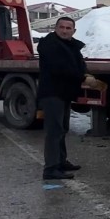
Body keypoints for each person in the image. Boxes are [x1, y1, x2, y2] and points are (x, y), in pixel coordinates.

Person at [36, 17, 94, 180]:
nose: (65, 30)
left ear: (73, 31)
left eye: (68, 28)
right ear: (55, 28)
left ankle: (60, 161)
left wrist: (86, 72)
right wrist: (83, 78)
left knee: (62, 129)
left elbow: (78, 64)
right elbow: (61, 68)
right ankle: (51, 168)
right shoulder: (50, 45)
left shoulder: (70, 45)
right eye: (61, 27)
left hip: (64, 93)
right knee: (54, 131)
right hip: (52, 93)